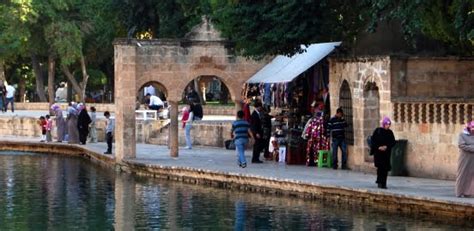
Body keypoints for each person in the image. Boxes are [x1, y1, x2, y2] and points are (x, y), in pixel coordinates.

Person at [370, 116, 396, 189]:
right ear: (384, 124)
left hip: (386, 154)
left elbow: (393, 142)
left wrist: (386, 146)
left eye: (389, 124)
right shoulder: (378, 131)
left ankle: (383, 183)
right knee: (380, 168)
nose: (388, 126)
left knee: (385, 168)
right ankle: (379, 182)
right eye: (387, 124)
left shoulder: (390, 132)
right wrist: (379, 147)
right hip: (378, 154)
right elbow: (373, 141)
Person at [455, 121, 474, 197]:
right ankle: (459, 192)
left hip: (473, 158)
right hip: (465, 158)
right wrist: (472, 148)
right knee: (462, 174)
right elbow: (461, 145)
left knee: (471, 175)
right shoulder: (462, 135)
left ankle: (468, 192)